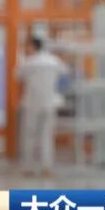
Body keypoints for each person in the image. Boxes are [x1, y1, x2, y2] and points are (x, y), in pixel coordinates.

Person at [15, 36, 66, 177]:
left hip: (32, 103)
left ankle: (28, 167)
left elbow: (18, 76)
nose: (26, 49)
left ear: (33, 46)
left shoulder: (28, 62)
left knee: (30, 135)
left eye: (27, 46)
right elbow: (64, 73)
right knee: (47, 135)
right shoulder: (54, 61)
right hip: (49, 103)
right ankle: (46, 167)